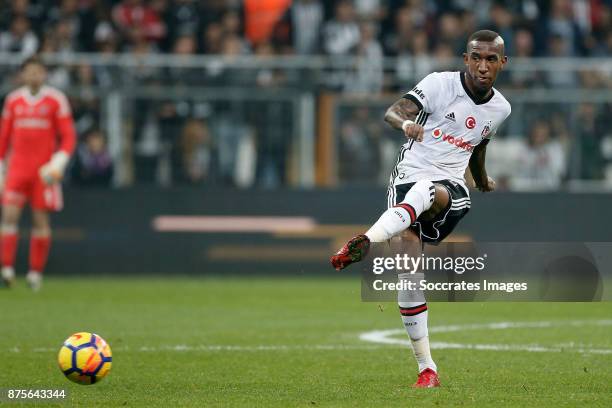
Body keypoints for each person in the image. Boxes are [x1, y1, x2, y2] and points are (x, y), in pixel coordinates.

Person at [330, 30, 511, 388]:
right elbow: (393, 111)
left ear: (503, 63)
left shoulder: (500, 108)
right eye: (476, 57)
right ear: (465, 59)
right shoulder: (439, 84)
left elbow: (477, 146)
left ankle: (367, 238)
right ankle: (427, 369)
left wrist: (484, 178)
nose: (483, 66)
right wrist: (407, 124)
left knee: (431, 190)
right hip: (407, 180)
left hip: (451, 189)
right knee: (409, 276)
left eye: (491, 59)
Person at [0, 56, 76, 290]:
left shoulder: (56, 100)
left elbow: (68, 136)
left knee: (40, 220)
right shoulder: (13, 101)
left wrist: (57, 164)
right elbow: (3, 137)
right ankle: (7, 269)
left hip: (44, 172)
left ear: (45, 74)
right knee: (9, 216)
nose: (34, 75)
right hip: (17, 169)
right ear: (23, 75)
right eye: (30, 71)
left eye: (38, 71)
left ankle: (35, 274)